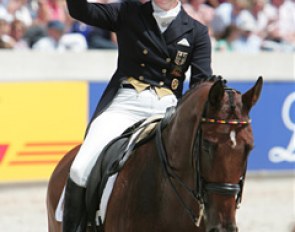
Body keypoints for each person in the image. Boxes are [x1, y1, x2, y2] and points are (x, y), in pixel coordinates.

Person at [62, 0, 212, 230]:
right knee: (80, 169)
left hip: (168, 109)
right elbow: (80, 10)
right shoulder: (128, 11)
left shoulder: (196, 31)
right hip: (125, 103)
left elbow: (201, 85)